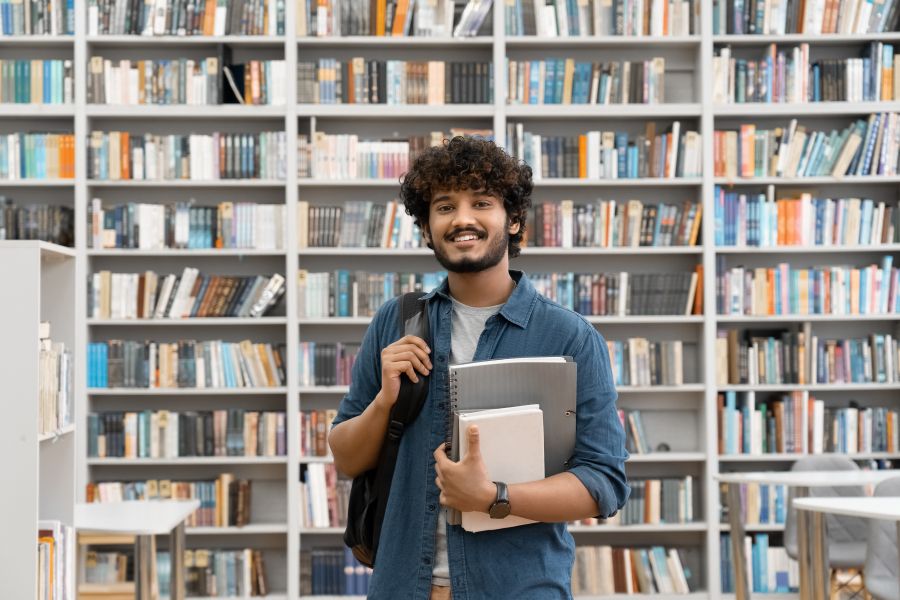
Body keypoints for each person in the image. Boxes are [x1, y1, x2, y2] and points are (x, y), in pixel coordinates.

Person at [328, 135, 629, 599]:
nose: (462, 218)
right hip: (402, 586)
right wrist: (386, 401)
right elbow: (347, 458)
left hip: (517, 588)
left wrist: (494, 497)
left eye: (481, 202)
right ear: (427, 229)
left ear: (512, 221)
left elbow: (603, 482)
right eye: (444, 206)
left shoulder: (570, 337)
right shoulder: (396, 320)